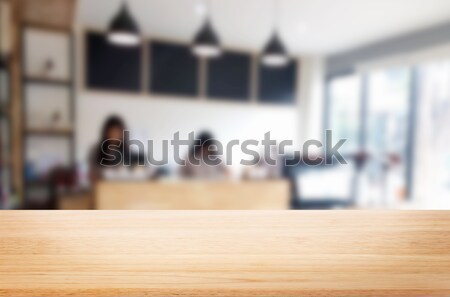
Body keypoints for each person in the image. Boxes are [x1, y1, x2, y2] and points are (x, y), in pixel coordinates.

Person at [89, 115, 149, 184]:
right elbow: (92, 173)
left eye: (117, 132)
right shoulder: (96, 150)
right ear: (106, 133)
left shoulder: (128, 151)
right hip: (103, 187)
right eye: (111, 132)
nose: (114, 135)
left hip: (123, 188)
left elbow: (139, 173)